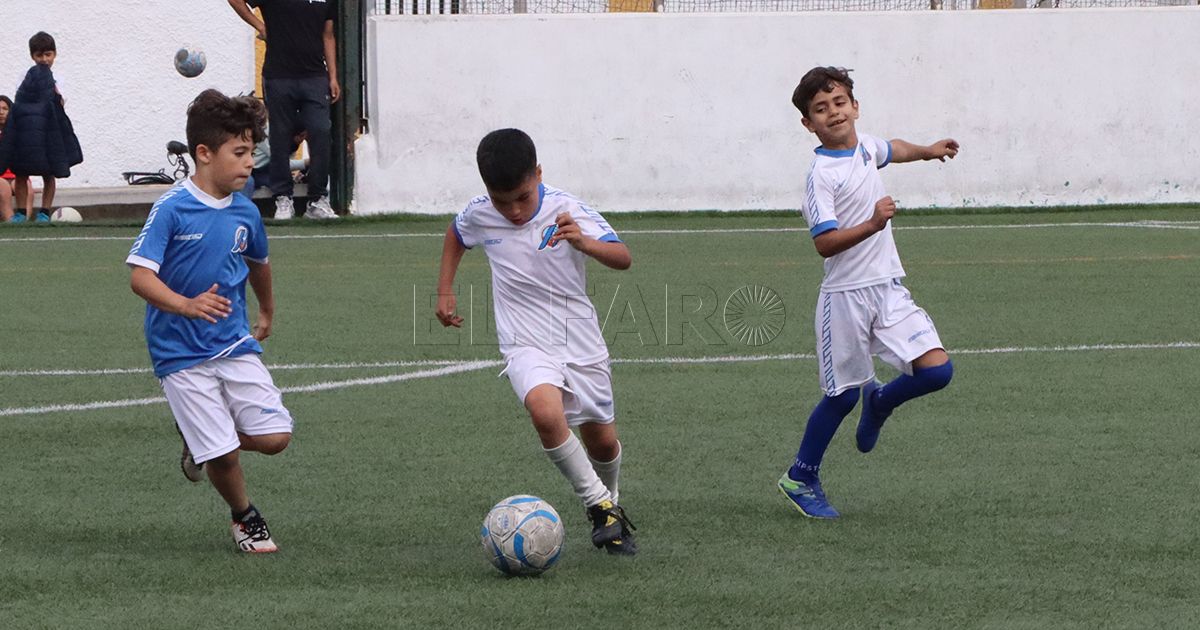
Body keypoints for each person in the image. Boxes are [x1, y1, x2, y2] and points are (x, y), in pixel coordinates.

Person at [436, 129, 639, 555]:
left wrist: (585, 242)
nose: (511, 210)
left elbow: (623, 257)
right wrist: (445, 290)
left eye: (523, 198)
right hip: (524, 343)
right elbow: (457, 234)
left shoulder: (568, 209)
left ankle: (612, 501)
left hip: (580, 342)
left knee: (601, 440)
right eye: (500, 200)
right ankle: (598, 504)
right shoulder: (479, 212)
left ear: (539, 175)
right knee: (545, 413)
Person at [777, 67, 958, 519]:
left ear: (855, 107)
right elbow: (824, 242)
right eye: (821, 109)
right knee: (841, 397)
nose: (833, 112)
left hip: (888, 288)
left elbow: (891, 149)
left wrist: (927, 151)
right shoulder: (820, 175)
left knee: (937, 371)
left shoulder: (864, 148)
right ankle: (801, 476)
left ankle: (882, 400)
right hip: (845, 297)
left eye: (839, 102)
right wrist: (873, 224)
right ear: (808, 124)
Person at [126, 89, 293, 553]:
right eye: (239, 153)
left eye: (252, 153)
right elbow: (140, 276)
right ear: (204, 153)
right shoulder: (172, 208)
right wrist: (185, 304)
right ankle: (245, 516)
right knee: (221, 451)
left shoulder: (245, 210)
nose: (248, 164)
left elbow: (259, 262)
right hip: (179, 352)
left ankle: (201, 439)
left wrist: (267, 309)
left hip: (232, 342)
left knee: (276, 437)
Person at [228, 0, 340, 221]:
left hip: (315, 76)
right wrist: (260, 26)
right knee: (280, 136)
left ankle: (317, 200)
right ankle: (283, 198)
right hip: (278, 75)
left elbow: (328, 35)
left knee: (320, 130)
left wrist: (333, 76)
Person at [0, 32, 82, 222]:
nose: (44, 60)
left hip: (49, 131)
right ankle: (20, 212)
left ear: (54, 54)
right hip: (26, 130)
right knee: (21, 170)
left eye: (48, 54)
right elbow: (20, 102)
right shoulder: (24, 76)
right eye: (39, 55)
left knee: (49, 171)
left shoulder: (58, 79)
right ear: (32, 56)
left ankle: (44, 211)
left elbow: (60, 104)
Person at [0, 96, 14, 222]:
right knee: (3, 186)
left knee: (27, 188)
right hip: (1, 177)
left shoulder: (16, 134)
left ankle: (23, 223)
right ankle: (10, 220)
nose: (1, 112)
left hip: (15, 176)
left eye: (5, 108)